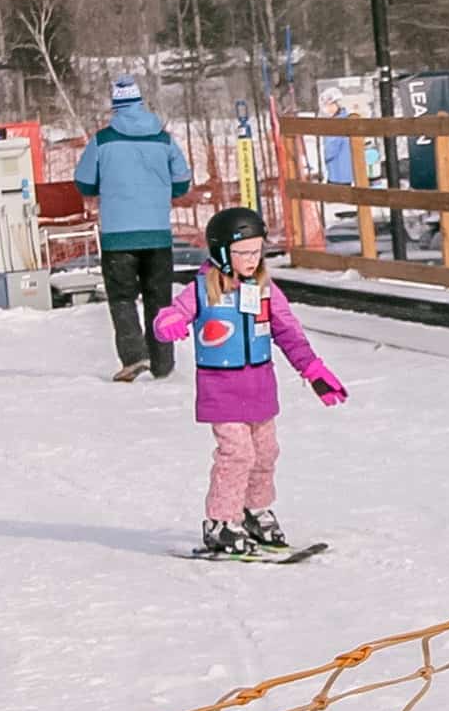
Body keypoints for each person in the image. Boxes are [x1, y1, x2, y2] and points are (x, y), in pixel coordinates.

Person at [152, 207, 348, 556]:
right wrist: (168, 322)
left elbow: (288, 332)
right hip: (221, 388)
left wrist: (314, 370)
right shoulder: (202, 290)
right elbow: (176, 313)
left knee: (266, 452)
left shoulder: (265, 289)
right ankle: (221, 522)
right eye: (243, 252)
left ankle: (253, 510)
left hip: (259, 386)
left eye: (257, 251)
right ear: (223, 252)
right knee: (236, 453)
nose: (251, 259)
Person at [75, 74, 191, 382]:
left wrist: (106, 186)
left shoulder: (102, 140)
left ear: (115, 105)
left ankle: (133, 356)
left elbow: (84, 181)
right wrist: (162, 193)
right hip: (157, 234)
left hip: (117, 237)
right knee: (159, 299)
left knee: (123, 297)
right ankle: (163, 364)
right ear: (141, 102)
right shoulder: (163, 139)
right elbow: (182, 182)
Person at [318, 86, 354, 185]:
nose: (326, 109)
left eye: (327, 105)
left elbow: (330, 149)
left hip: (337, 173)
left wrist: (324, 156)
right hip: (346, 173)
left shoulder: (336, 124)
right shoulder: (345, 119)